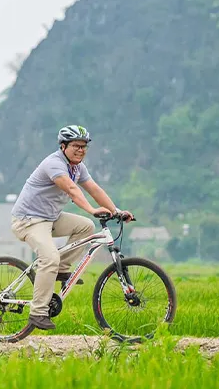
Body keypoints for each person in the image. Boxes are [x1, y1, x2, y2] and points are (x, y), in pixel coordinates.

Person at [10, 125, 134, 331]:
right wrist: (92, 209)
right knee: (49, 258)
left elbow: (94, 188)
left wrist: (116, 210)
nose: (81, 150)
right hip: (28, 220)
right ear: (63, 146)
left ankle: (60, 269)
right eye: (76, 145)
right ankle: (38, 312)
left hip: (50, 218)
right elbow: (71, 189)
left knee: (86, 226)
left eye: (84, 146)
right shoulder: (54, 164)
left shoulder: (78, 168)